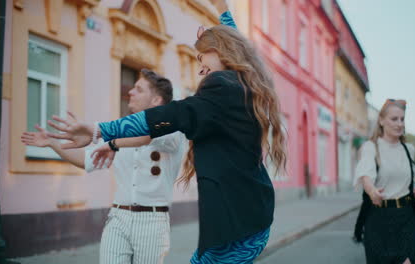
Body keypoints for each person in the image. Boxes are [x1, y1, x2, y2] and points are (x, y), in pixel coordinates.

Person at [45, 7, 287, 264]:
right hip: (248, 218)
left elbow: (172, 115)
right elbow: (235, 42)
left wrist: (101, 130)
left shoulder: (223, 87)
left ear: (220, 51)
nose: (201, 68)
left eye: (201, 57)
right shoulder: (240, 84)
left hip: (238, 227)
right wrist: (224, 10)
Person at [22, 69, 183, 264]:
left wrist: (102, 135)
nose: (130, 92)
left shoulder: (173, 129)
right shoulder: (118, 131)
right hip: (118, 217)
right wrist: (52, 143)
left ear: (156, 100)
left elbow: (148, 135)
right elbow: (86, 159)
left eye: (139, 89)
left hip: (152, 222)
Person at [353, 99, 415, 264]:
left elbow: (403, 180)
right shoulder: (371, 147)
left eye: (402, 119)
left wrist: (412, 192)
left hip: (406, 217)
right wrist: (372, 191)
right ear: (381, 120)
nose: (399, 124)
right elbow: (365, 175)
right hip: (379, 219)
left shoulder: (407, 149)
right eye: (394, 119)